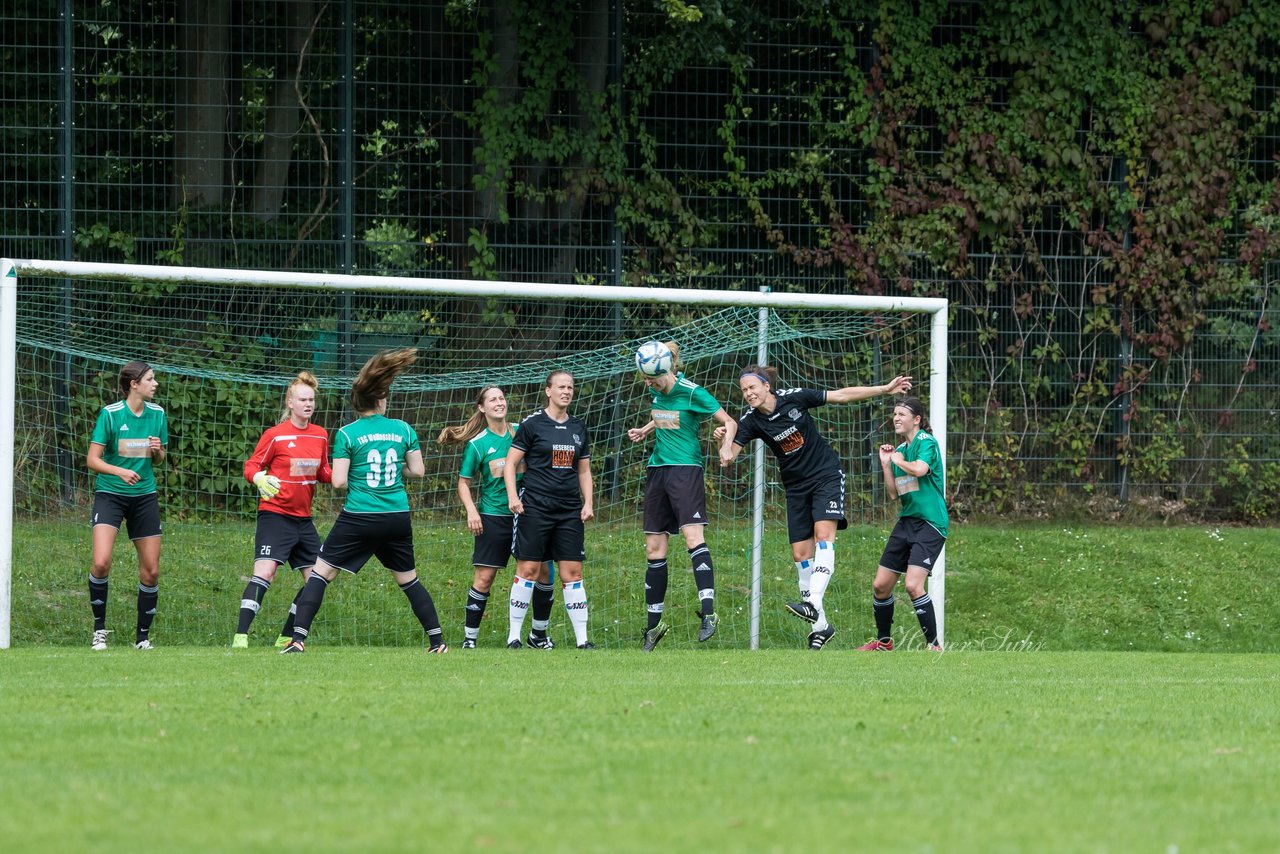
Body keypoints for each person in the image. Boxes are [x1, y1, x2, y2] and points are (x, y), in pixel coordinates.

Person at [721, 364, 912, 650]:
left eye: (752, 387)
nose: (748, 393)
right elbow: (728, 458)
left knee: (824, 536)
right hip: (795, 488)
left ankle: (812, 601)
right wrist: (724, 441)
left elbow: (843, 396)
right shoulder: (751, 420)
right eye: (744, 390)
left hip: (825, 476)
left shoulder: (794, 398)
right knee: (800, 555)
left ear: (766, 386)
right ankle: (821, 627)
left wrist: (884, 389)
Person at [280, 349, 446, 654]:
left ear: (357, 403)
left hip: (359, 516)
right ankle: (438, 641)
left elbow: (340, 481)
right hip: (396, 515)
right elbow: (418, 471)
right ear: (381, 399)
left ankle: (298, 640)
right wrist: (395, 469)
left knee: (320, 574)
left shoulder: (347, 433)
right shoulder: (403, 429)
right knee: (409, 581)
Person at [626, 341, 737, 651]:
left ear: (668, 370)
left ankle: (710, 613)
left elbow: (730, 421)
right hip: (657, 471)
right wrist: (645, 431)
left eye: (654, 380)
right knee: (654, 547)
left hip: (686, 470)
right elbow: (664, 412)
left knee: (692, 539)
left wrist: (726, 447)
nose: (649, 385)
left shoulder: (692, 392)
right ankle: (653, 626)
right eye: (646, 380)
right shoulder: (655, 387)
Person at [437, 386, 556, 649]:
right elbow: (463, 483)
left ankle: (538, 635)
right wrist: (471, 511)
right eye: (493, 399)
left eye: (501, 398)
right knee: (484, 579)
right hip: (494, 517)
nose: (499, 402)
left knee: (545, 573)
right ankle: (470, 639)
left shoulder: (521, 431)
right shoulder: (478, 445)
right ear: (482, 408)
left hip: (530, 515)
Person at [233, 371, 332, 648]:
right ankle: (240, 637)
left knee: (317, 578)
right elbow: (251, 466)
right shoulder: (275, 436)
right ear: (290, 402)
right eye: (302, 399)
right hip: (275, 515)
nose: (308, 404)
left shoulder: (321, 436)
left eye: (311, 399)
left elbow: (323, 471)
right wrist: (259, 478)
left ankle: (286, 635)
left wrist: (341, 476)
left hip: (304, 520)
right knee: (265, 572)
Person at [504, 370, 595, 649]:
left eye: (570, 387)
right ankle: (514, 637)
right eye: (561, 387)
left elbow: (584, 470)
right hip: (535, 507)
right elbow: (510, 465)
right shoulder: (532, 424)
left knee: (573, 573)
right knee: (529, 569)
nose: (566, 391)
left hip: (568, 510)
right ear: (548, 391)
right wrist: (512, 497)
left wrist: (588, 502)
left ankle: (583, 641)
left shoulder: (579, 426)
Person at [86, 360, 168, 651]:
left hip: (145, 497)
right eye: (150, 379)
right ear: (134, 384)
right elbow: (93, 460)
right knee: (101, 562)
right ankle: (99, 632)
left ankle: (142, 638)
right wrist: (119, 471)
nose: (155, 384)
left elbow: (159, 460)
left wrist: (157, 452)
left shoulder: (157, 414)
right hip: (110, 495)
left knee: (151, 571)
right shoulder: (110, 415)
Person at [859, 397, 947, 651]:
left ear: (916, 419)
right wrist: (887, 465)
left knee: (912, 585)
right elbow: (894, 493)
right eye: (894, 414)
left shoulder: (926, 442)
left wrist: (898, 461)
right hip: (907, 522)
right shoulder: (900, 449)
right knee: (881, 585)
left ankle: (934, 646)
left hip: (931, 523)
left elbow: (919, 470)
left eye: (901, 414)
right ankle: (884, 642)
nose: (896, 418)